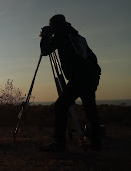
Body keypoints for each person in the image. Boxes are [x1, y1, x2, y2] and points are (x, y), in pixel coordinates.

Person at [39, 14, 102, 152]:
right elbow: (91, 56)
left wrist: (45, 37)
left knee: (60, 106)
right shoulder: (76, 36)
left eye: (52, 26)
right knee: (90, 109)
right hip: (91, 76)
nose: (52, 29)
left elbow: (45, 51)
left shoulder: (62, 35)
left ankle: (60, 144)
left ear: (55, 26)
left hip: (80, 77)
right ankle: (96, 144)